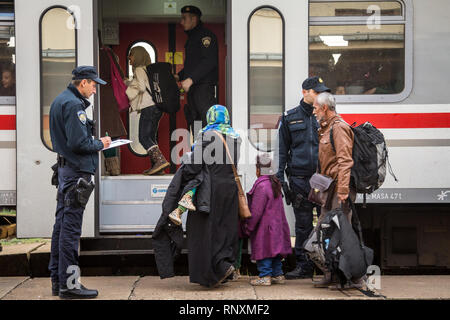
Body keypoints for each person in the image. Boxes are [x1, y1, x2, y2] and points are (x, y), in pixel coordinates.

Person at [48, 66, 111, 299]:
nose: (95, 90)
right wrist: (101, 143)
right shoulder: (74, 105)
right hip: (76, 174)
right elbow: (79, 143)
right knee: (71, 231)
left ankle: (58, 281)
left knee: (61, 228)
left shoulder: (60, 101)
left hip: (66, 171)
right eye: (93, 85)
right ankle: (70, 285)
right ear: (82, 83)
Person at [276, 76, 330, 280]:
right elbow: (283, 151)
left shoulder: (325, 116)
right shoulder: (290, 117)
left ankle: (328, 265)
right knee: (303, 225)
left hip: (323, 179)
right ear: (305, 92)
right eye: (317, 92)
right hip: (299, 180)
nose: (320, 96)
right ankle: (304, 266)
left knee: (326, 223)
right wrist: (281, 179)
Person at [182, 104, 241, 287]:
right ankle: (224, 265)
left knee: (204, 230)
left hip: (210, 190)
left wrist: (186, 158)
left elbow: (193, 166)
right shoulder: (235, 137)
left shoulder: (206, 135)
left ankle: (215, 271)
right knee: (224, 228)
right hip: (229, 189)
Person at [312, 91, 356, 288]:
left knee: (342, 234)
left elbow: (345, 161)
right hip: (330, 189)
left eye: (315, 108)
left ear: (324, 108)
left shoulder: (338, 128)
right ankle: (332, 274)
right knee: (326, 232)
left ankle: (349, 277)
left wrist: (344, 192)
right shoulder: (326, 128)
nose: (313, 112)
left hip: (340, 189)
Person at [242, 154, 292, 286]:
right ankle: (278, 274)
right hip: (277, 226)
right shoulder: (274, 183)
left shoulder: (262, 186)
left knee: (264, 251)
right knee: (275, 251)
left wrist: (249, 227)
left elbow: (256, 211)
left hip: (265, 227)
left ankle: (265, 276)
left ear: (259, 169)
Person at [126, 46, 169, 175]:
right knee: (151, 137)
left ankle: (160, 161)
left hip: (148, 107)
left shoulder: (139, 69)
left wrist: (127, 86)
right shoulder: (149, 70)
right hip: (157, 107)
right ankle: (157, 167)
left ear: (138, 56)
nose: (129, 59)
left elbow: (141, 87)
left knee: (143, 137)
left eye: (131, 56)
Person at [177, 5, 218, 130]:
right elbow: (192, 66)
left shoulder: (205, 37)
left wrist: (190, 80)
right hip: (194, 90)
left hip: (203, 90)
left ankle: (209, 150)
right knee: (196, 125)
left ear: (194, 19)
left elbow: (209, 61)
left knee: (207, 125)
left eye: (184, 18)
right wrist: (178, 76)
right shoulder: (192, 38)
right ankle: (199, 150)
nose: (181, 22)